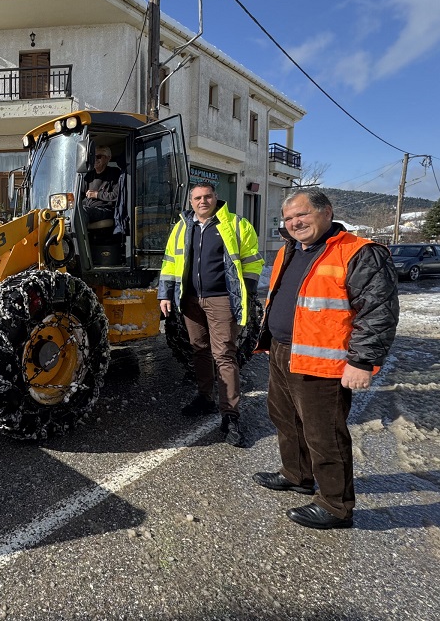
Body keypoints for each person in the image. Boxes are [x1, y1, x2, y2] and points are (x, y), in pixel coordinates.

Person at [253, 188, 399, 530]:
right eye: (288, 218)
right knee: (285, 419)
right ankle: (297, 475)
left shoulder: (358, 252)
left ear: (326, 212)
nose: (294, 223)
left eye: (301, 215)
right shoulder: (290, 250)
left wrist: (362, 361)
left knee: (324, 434)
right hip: (283, 350)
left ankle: (335, 505)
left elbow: (379, 312)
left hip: (322, 361)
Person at [159, 181, 264, 447]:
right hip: (191, 299)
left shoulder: (237, 225)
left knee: (224, 354)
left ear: (216, 198)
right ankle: (204, 398)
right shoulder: (183, 227)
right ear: (191, 201)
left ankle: (231, 415)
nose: (202, 201)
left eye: (207, 197)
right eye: (197, 198)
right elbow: (170, 261)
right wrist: (164, 293)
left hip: (221, 300)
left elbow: (252, 260)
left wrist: (246, 294)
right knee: (199, 350)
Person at [82, 145, 122, 223]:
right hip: (90, 209)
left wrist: (97, 195)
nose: (95, 159)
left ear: (108, 158)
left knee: (82, 212)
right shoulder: (89, 175)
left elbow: (117, 196)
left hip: (106, 210)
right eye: (93, 157)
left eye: (99, 156)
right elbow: (80, 193)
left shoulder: (114, 173)